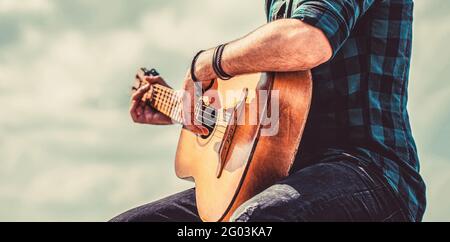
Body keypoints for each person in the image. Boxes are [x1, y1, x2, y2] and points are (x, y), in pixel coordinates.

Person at [111, 0, 426, 222]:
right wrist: (186, 109)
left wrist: (202, 65)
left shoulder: (295, 24)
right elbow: (282, 111)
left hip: (370, 172)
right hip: (283, 175)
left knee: (255, 223)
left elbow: (309, 40)